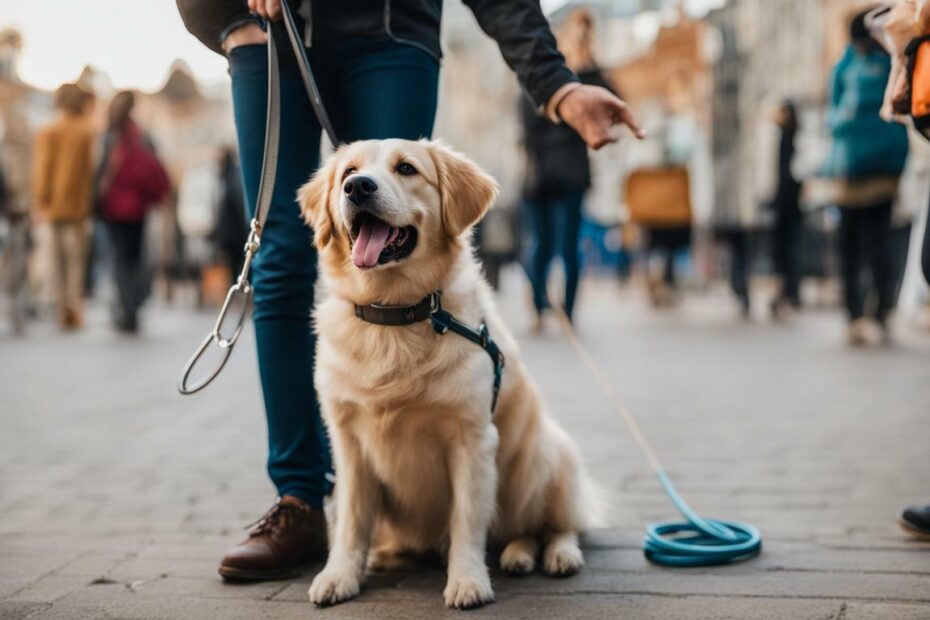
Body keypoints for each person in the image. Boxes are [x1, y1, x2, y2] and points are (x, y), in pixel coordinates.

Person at [177, 0, 645, 581]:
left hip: (392, 31)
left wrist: (558, 88)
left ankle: (453, 506)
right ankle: (299, 500)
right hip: (266, 35)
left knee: (404, 214)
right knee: (278, 258)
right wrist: (228, 22)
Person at [520, 7, 613, 328]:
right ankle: (554, 308)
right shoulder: (571, 77)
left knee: (551, 243)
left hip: (553, 172)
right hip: (556, 171)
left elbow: (527, 126)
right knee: (556, 244)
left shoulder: (576, 77)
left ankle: (551, 309)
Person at [827, 10, 909, 346]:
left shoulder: (851, 66)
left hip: (865, 171)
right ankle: (867, 312)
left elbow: (836, 116)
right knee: (869, 244)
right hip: (865, 171)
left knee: (864, 245)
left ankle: (867, 312)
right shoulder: (884, 63)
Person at [96, 91, 170, 333]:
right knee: (135, 258)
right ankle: (134, 307)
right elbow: (156, 167)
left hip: (115, 208)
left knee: (119, 258)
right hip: (138, 207)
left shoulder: (109, 136)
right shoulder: (141, 135)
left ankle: (125, 309)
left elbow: (99, 170)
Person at [32, 83, 96, 330]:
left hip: (53, 205)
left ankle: (61, 307)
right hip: (78, 205)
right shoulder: (86, 131)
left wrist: (40, 201)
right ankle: (74, 306)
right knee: (76, 260)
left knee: (55, 259)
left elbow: (43, 169)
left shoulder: (49, 130)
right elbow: (90, 170)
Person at [769, 100, 803, 319]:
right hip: (783, 202)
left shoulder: (793, 140)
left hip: (789, 204)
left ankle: (790, 291)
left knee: (789, 250)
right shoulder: (777, 138)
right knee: (782, 250)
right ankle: (786, 291)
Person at [211, 146, 248, 282]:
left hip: (235, 232)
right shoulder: (227, 176)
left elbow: (235, 206)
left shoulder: (231, 177)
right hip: (233, 232)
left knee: (237, 264)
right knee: (234, 265)